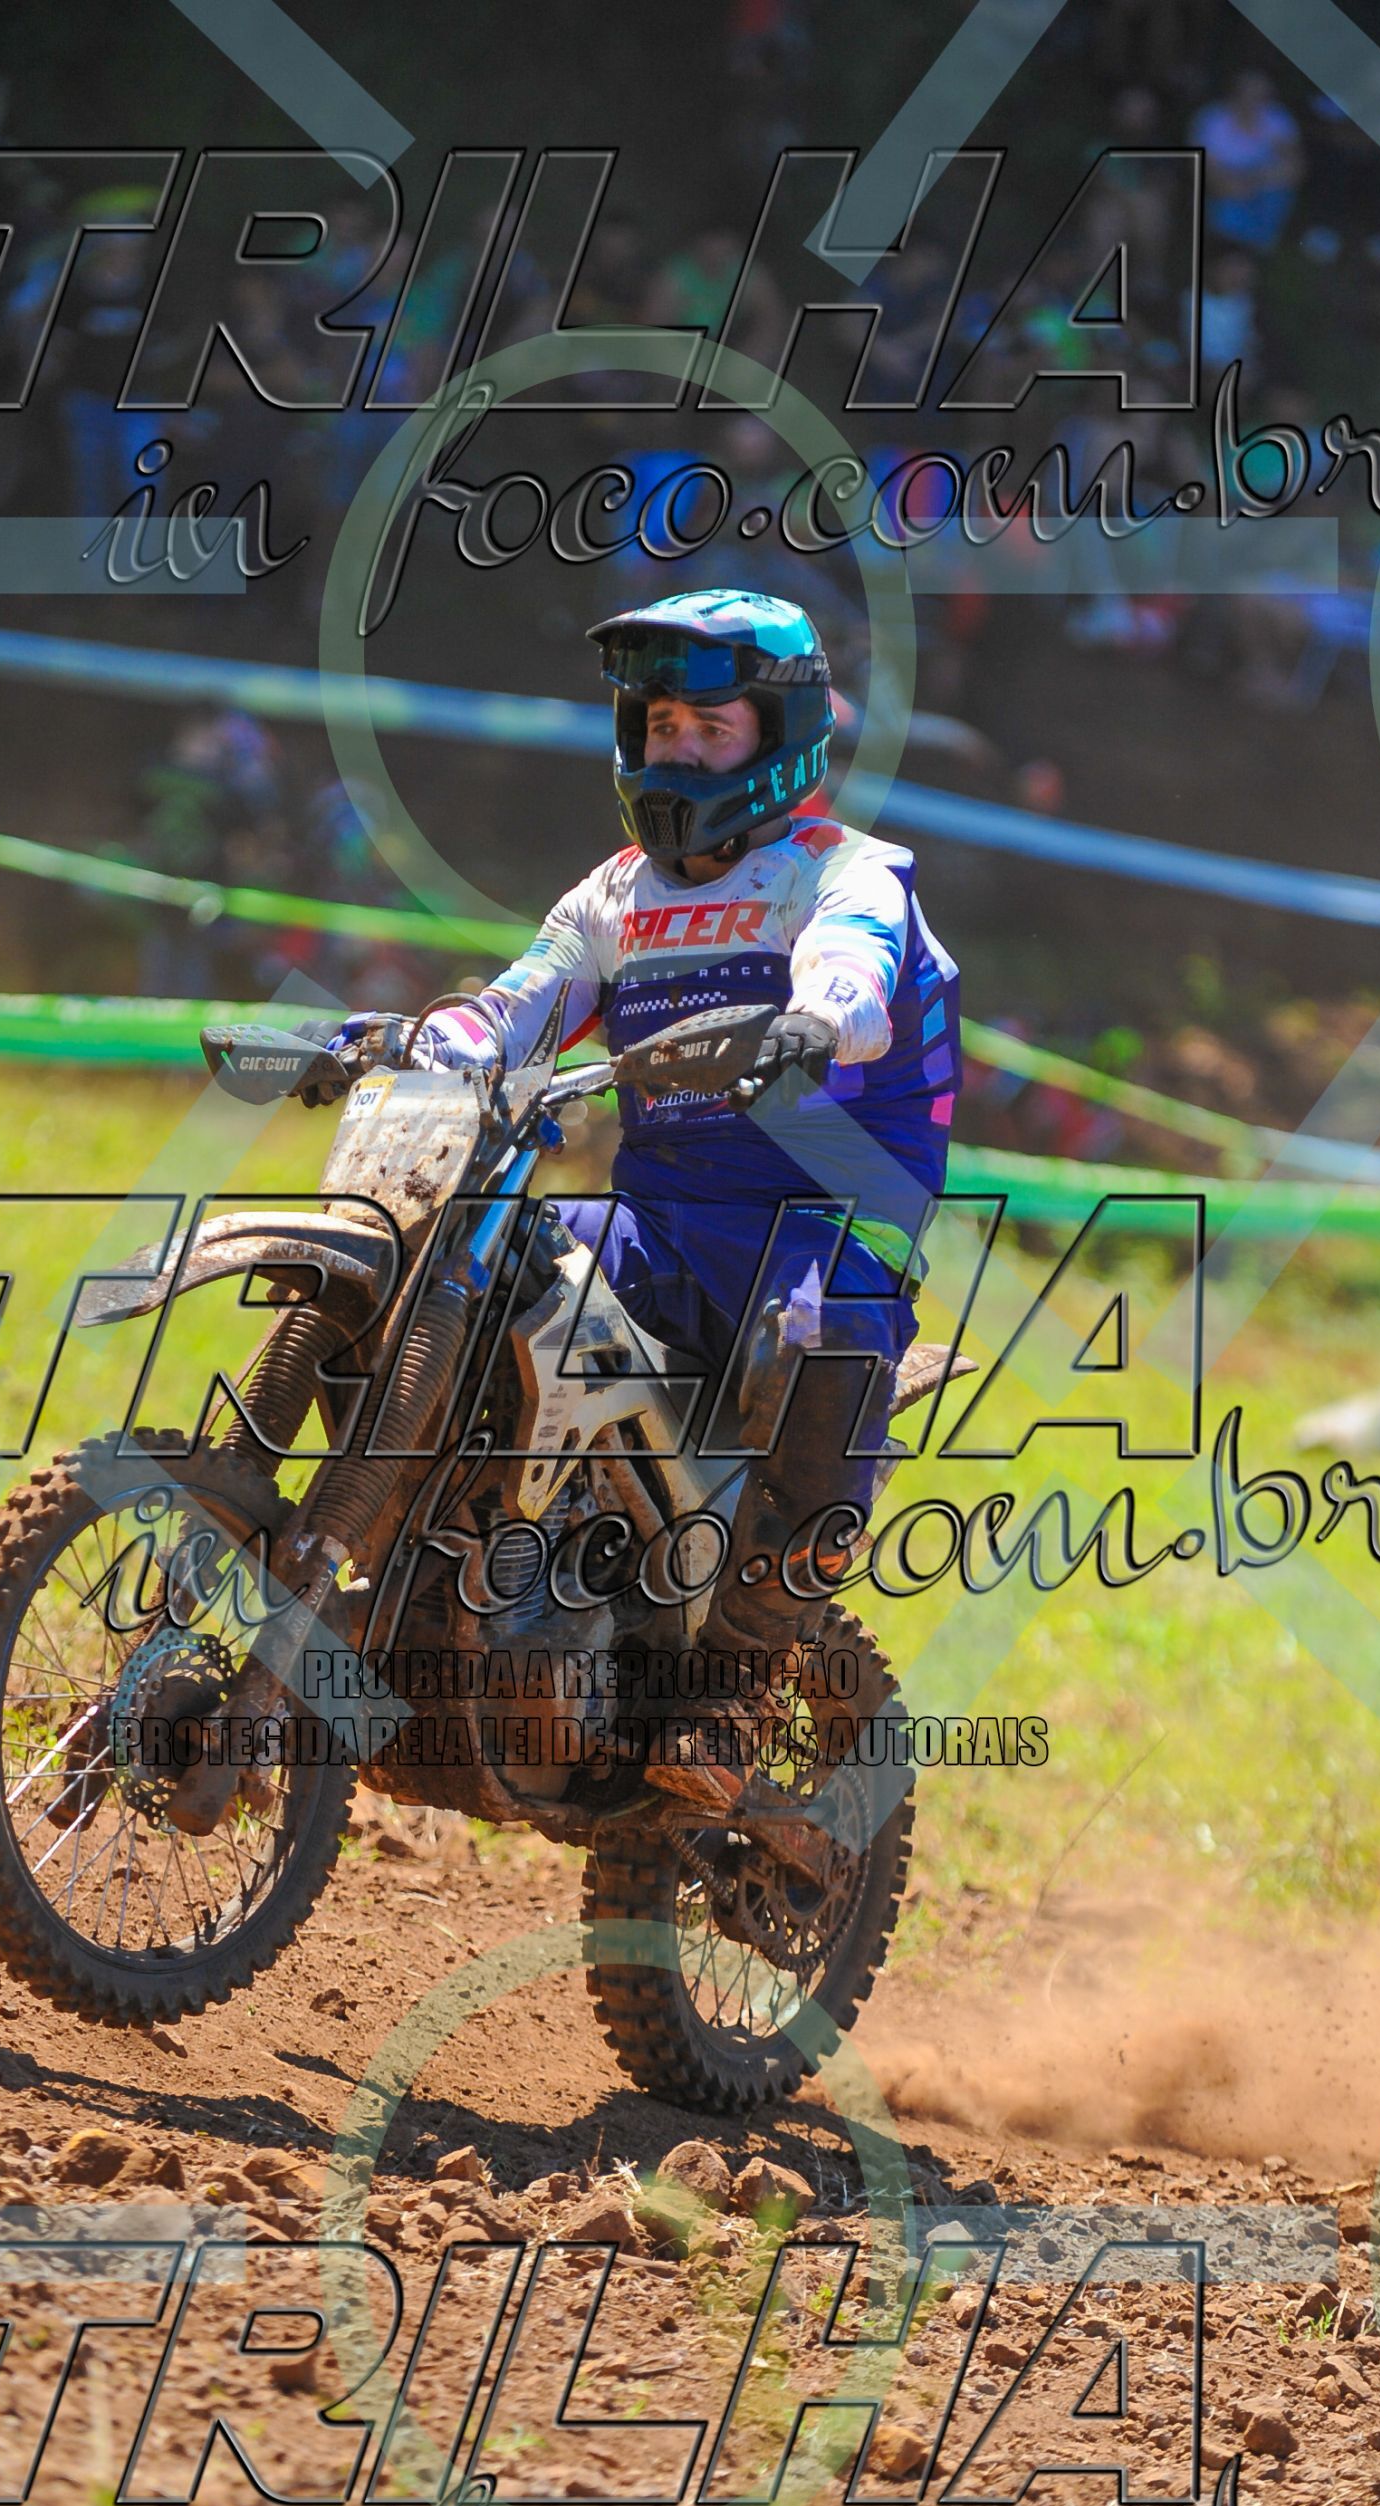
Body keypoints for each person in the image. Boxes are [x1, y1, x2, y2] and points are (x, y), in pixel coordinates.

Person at [403, 588, 960, 1813]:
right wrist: (436, 1041)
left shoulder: (848, 873)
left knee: (815, 1341)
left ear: (780, 737)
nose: (680, 752)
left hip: (820, 1230)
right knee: (475, 1258)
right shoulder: (612, 896)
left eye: (712, 728)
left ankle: (738, 1679)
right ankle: (455, 1553)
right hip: (655, 1230)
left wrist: (816, 1019)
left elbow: (855, 967)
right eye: (661, 726)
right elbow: (521, 1005)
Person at [1193, 69, 1303, 255]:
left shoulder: (1277, 119)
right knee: (1228, 204)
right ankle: (1230, 251)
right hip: (1225, 183)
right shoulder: (1212, 120)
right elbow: (1205, 170)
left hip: (1264, 184)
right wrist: (1231, 183)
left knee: (1274, 196)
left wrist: (1254, 179)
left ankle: (1258, 253)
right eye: (1249, 90)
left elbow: (1295, 166)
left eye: (1261, 93)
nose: (1254, 98)